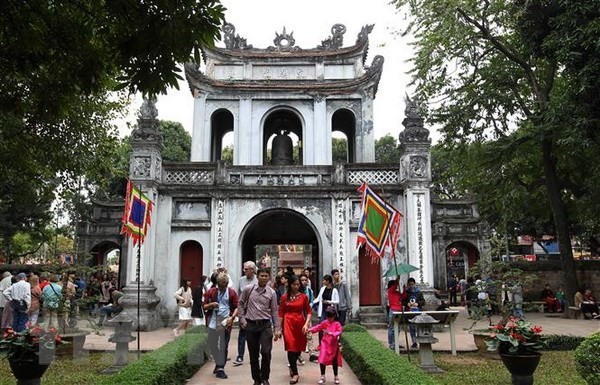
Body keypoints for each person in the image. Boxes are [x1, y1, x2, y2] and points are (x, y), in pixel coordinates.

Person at [238, 268, 279, 385]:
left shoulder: (272, 293)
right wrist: (242, 319)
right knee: (253, 355)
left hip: (265, 325)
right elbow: (240, 303)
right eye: (262, 276)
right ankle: (256, 379)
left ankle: (265, 377)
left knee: (266, 352)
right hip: (251, 325)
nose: (264, 278)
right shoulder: (248, 289)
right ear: (258, 276)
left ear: (269, 277)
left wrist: (277, 328)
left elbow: (274, 312)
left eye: (266, 276)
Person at [276, 275, 312, 384]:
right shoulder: (284, 297)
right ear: (290, 285)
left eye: (298, 284)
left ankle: (292, 365)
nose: (296, 286)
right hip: (288, 323)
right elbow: (281, 314)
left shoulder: (303, 297)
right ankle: (295, 373)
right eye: (294, 284)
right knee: (291, 346)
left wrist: (306, 324)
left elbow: (309, 311)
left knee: (299, 347)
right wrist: (279, 329)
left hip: (300, 323)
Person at [204, 272, 238, 380]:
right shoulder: (211, 292)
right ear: (217, 284)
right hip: (213, 320)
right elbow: (204, 306)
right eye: (221, 285)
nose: (223, 287)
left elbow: (237, 307)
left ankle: (220, 368)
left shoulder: (231, 292)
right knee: (212, 344)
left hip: (225, 321)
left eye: (225, 285)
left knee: (223, 345)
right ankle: (218, 363)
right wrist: (211, 305)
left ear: (227, 284)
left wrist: (232, 318)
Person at [309, 306, 343, 385]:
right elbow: (318, 327)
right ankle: (322, 376)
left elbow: (339, 331)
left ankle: (336, 376)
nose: (329, 318)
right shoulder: (325, 322)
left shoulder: (337, 324)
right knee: (322, 359)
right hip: (325, 343)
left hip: (333, 344)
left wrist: (332, 334)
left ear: (334, 316)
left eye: (331, 316)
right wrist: (310, 330)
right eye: (328, 316)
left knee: (334, 361)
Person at [233, 261, 258, 367]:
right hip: (244, 310)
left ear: (252, 269)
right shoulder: (241, 280)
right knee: (242, 334)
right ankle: (240, 356)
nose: (244, 271)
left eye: (246, 269)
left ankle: (256, 355)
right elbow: (238, 296)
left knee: (256, 334)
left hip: (256, 311)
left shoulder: (258, 280)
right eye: (244, 269)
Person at [402, 277, 425, 349]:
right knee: (411, 327)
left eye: (412, 284)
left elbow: (423, 301)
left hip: (417, 311)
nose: (411, 286)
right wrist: (406, 304)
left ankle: (420, 341)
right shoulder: (406, 292)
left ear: (414, 284)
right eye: (409, 284)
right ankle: (414, 342)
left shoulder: (419, 292)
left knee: (418, 327)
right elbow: (403, 301)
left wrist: (418, 303)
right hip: (410, 312)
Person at [387, 276, 403, 350]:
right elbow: (394, 286)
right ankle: (391, 344)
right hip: (393, 310)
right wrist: (398, 279)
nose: (396, 286)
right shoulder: (390, 291)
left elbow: (403, 296)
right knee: (392, 328)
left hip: (399, 310)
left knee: (398, 328)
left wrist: (404, 289)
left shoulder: (397, 293)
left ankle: (396, 342)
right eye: (395, 285)